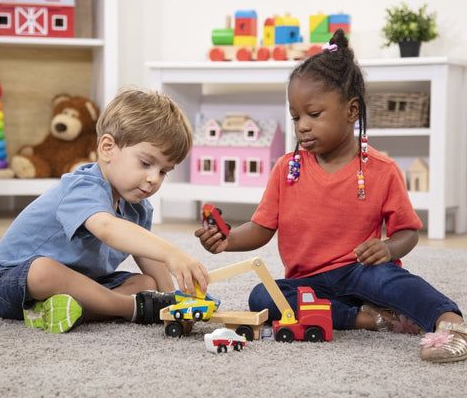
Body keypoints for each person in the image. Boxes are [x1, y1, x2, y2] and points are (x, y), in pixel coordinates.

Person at [195, 29, 467, 363]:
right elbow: (262, 227)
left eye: (314, 114)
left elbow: (408, 232)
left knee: (396, 282)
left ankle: (448, 322)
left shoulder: (381, 169)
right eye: (296, 117)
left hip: (361, 271)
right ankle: (367, 317)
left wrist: (387, 248)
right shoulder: (287, 168)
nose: (302, 126)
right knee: (263, 296)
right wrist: (228, 240)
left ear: (352, 111)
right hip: (309, 283)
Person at [0, 88, 209, 333]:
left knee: (147, 283)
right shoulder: (82, 187)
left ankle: (69, 311)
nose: (153, 179)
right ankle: (126, 308)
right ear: (107, 148)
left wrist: (173, 303)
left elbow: (150, 258)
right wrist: (171, 251)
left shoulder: (138, 207)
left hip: (83, 283)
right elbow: (107, 228)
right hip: (12, 283)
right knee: (43, 270)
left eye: (163, 171)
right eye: (145, 163)